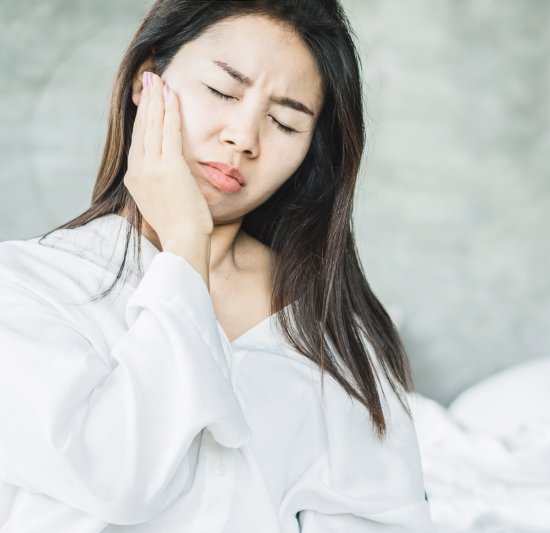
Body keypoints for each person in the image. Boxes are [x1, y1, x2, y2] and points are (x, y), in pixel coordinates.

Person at [0, 0, 433, 531]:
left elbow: (384, 516)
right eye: (222, 91)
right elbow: (115, 478)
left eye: (284, 122)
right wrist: (186, 246)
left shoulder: (330, 324)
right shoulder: (26, 285)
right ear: (146, 80)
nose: (244, 138)